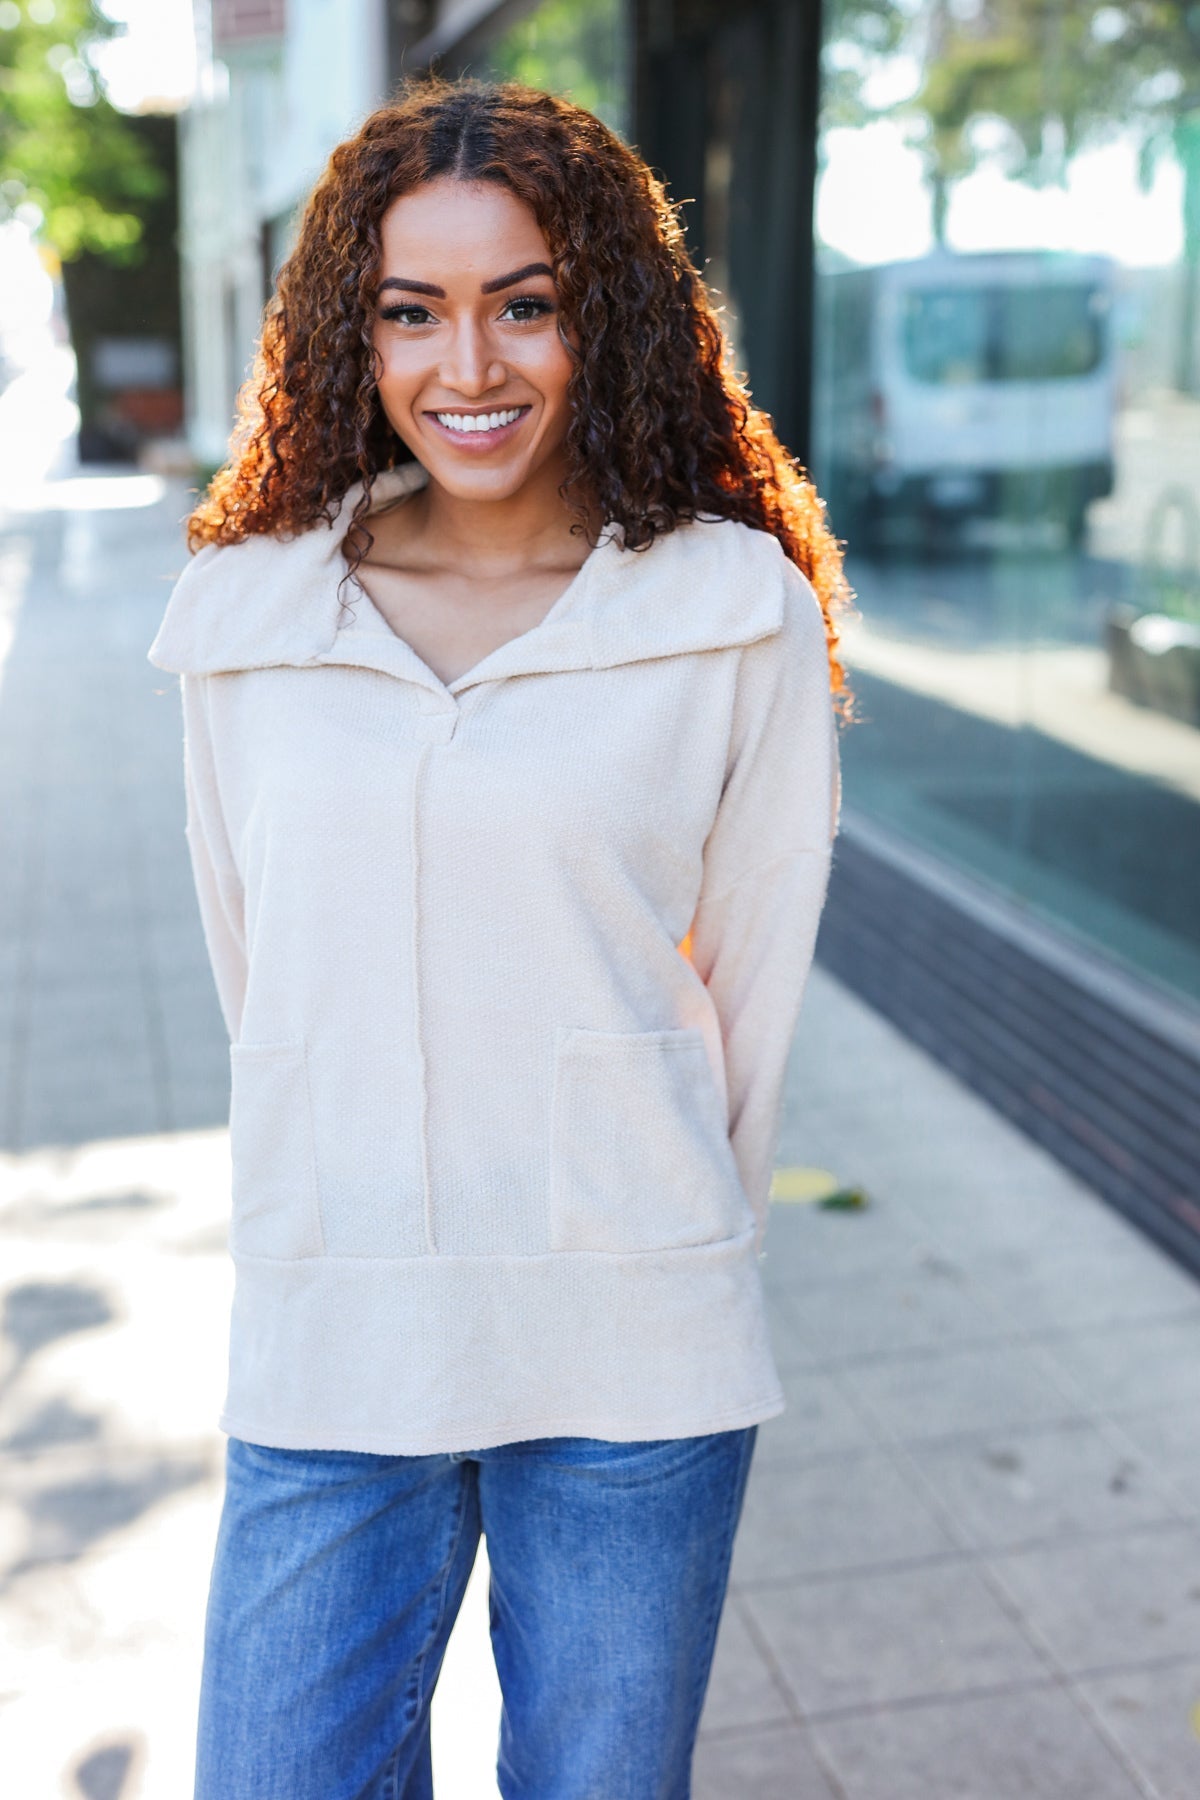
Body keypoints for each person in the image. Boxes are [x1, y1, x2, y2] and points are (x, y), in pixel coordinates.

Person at [148, 74, 853, 1800]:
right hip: (333, 1325)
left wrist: (655, 1227)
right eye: (414, 312)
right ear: (352, 335)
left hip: (635, 1339)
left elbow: (749, 994)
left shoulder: (724, 610)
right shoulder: (249, 621)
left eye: (522, 303)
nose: (469, 369)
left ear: (597, 312)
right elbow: (265, 978)